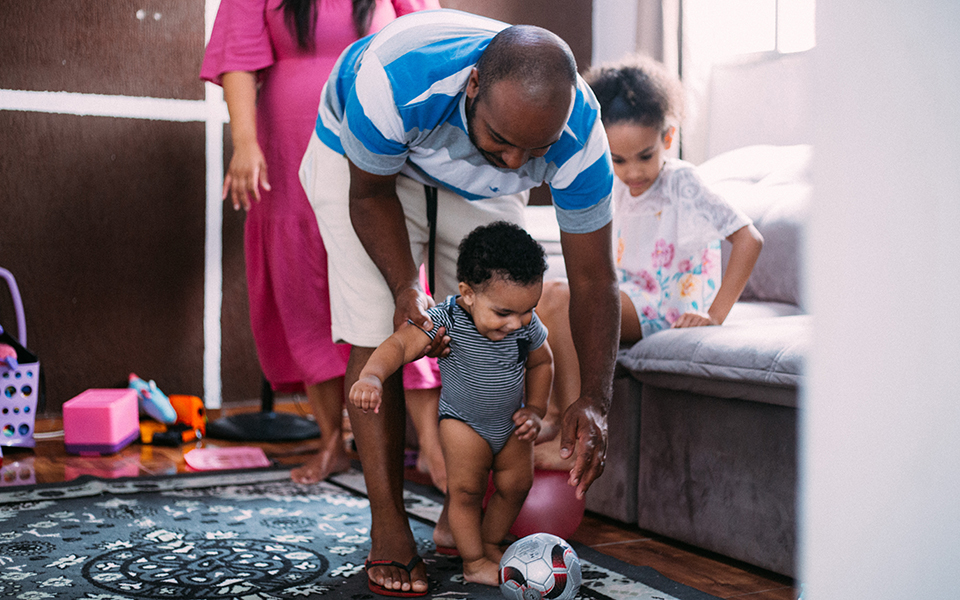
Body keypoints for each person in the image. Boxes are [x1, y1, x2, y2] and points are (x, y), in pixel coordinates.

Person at [298, 8, 619, 596]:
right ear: (473, 86)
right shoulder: (396, 78)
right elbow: (368, 196)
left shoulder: (576, 139)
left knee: (495, 320)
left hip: (467, 171)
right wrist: (403, 290)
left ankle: (462, 513)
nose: (520, 164)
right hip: (368, 165)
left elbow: (596, 281)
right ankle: (388, 524)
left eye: (535, 150)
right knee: (380, 327)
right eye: (503, 139)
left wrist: (595, 398)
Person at [199, 0, 440, 487]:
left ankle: (434, 448)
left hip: (379, 143)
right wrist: (245, 144)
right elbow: (238, 61)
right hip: (287, 148)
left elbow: (429, 40)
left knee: (396, 281)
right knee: (301, 286)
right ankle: (333, 439)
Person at [535, 54, 764, 468]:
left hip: (668, 305)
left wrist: (714, 315)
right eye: (618, 160)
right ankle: (552, 416)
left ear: (668, 138)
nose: (632, 172)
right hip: (627, 296)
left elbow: (748, 239)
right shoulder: (612, 186)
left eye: (645, 155)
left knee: (558, 300)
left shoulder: (682, 183)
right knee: (544, 293)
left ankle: (572, 438)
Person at [350, 222, 552, 587]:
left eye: (527, 311)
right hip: (463, 424)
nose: (517, 323)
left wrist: (536, 409)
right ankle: (473, 562)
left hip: (512, 423)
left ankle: (487, 545)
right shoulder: (446, 319)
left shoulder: (525, 321)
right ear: (467, 294)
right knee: (466, 491)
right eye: (504, 313)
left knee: (517, 485)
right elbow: (399, 345)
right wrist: (372, 376)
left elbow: (542, 362)